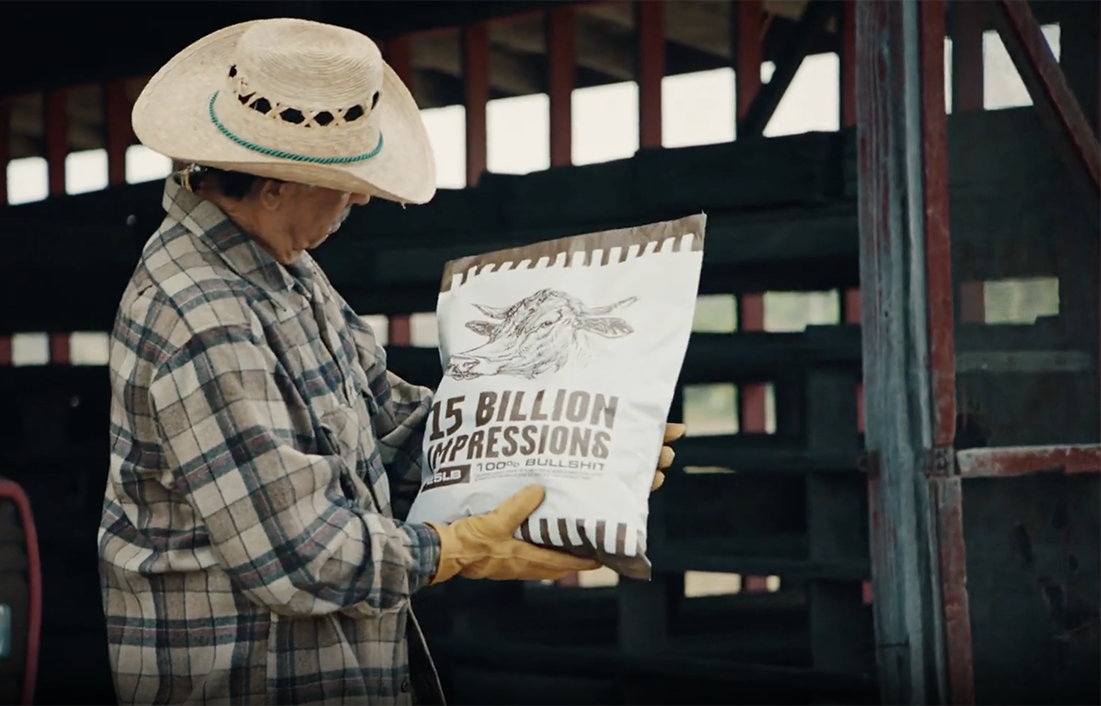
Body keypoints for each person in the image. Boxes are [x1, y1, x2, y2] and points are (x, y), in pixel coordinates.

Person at [98, 17, 686, 706]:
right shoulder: (202, 314)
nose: (362, 195)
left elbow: (387, 427)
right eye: (342, 180)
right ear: (274, 184)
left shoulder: (285, 275)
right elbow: (303, 558)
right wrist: (456, 547)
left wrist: (562, 449)